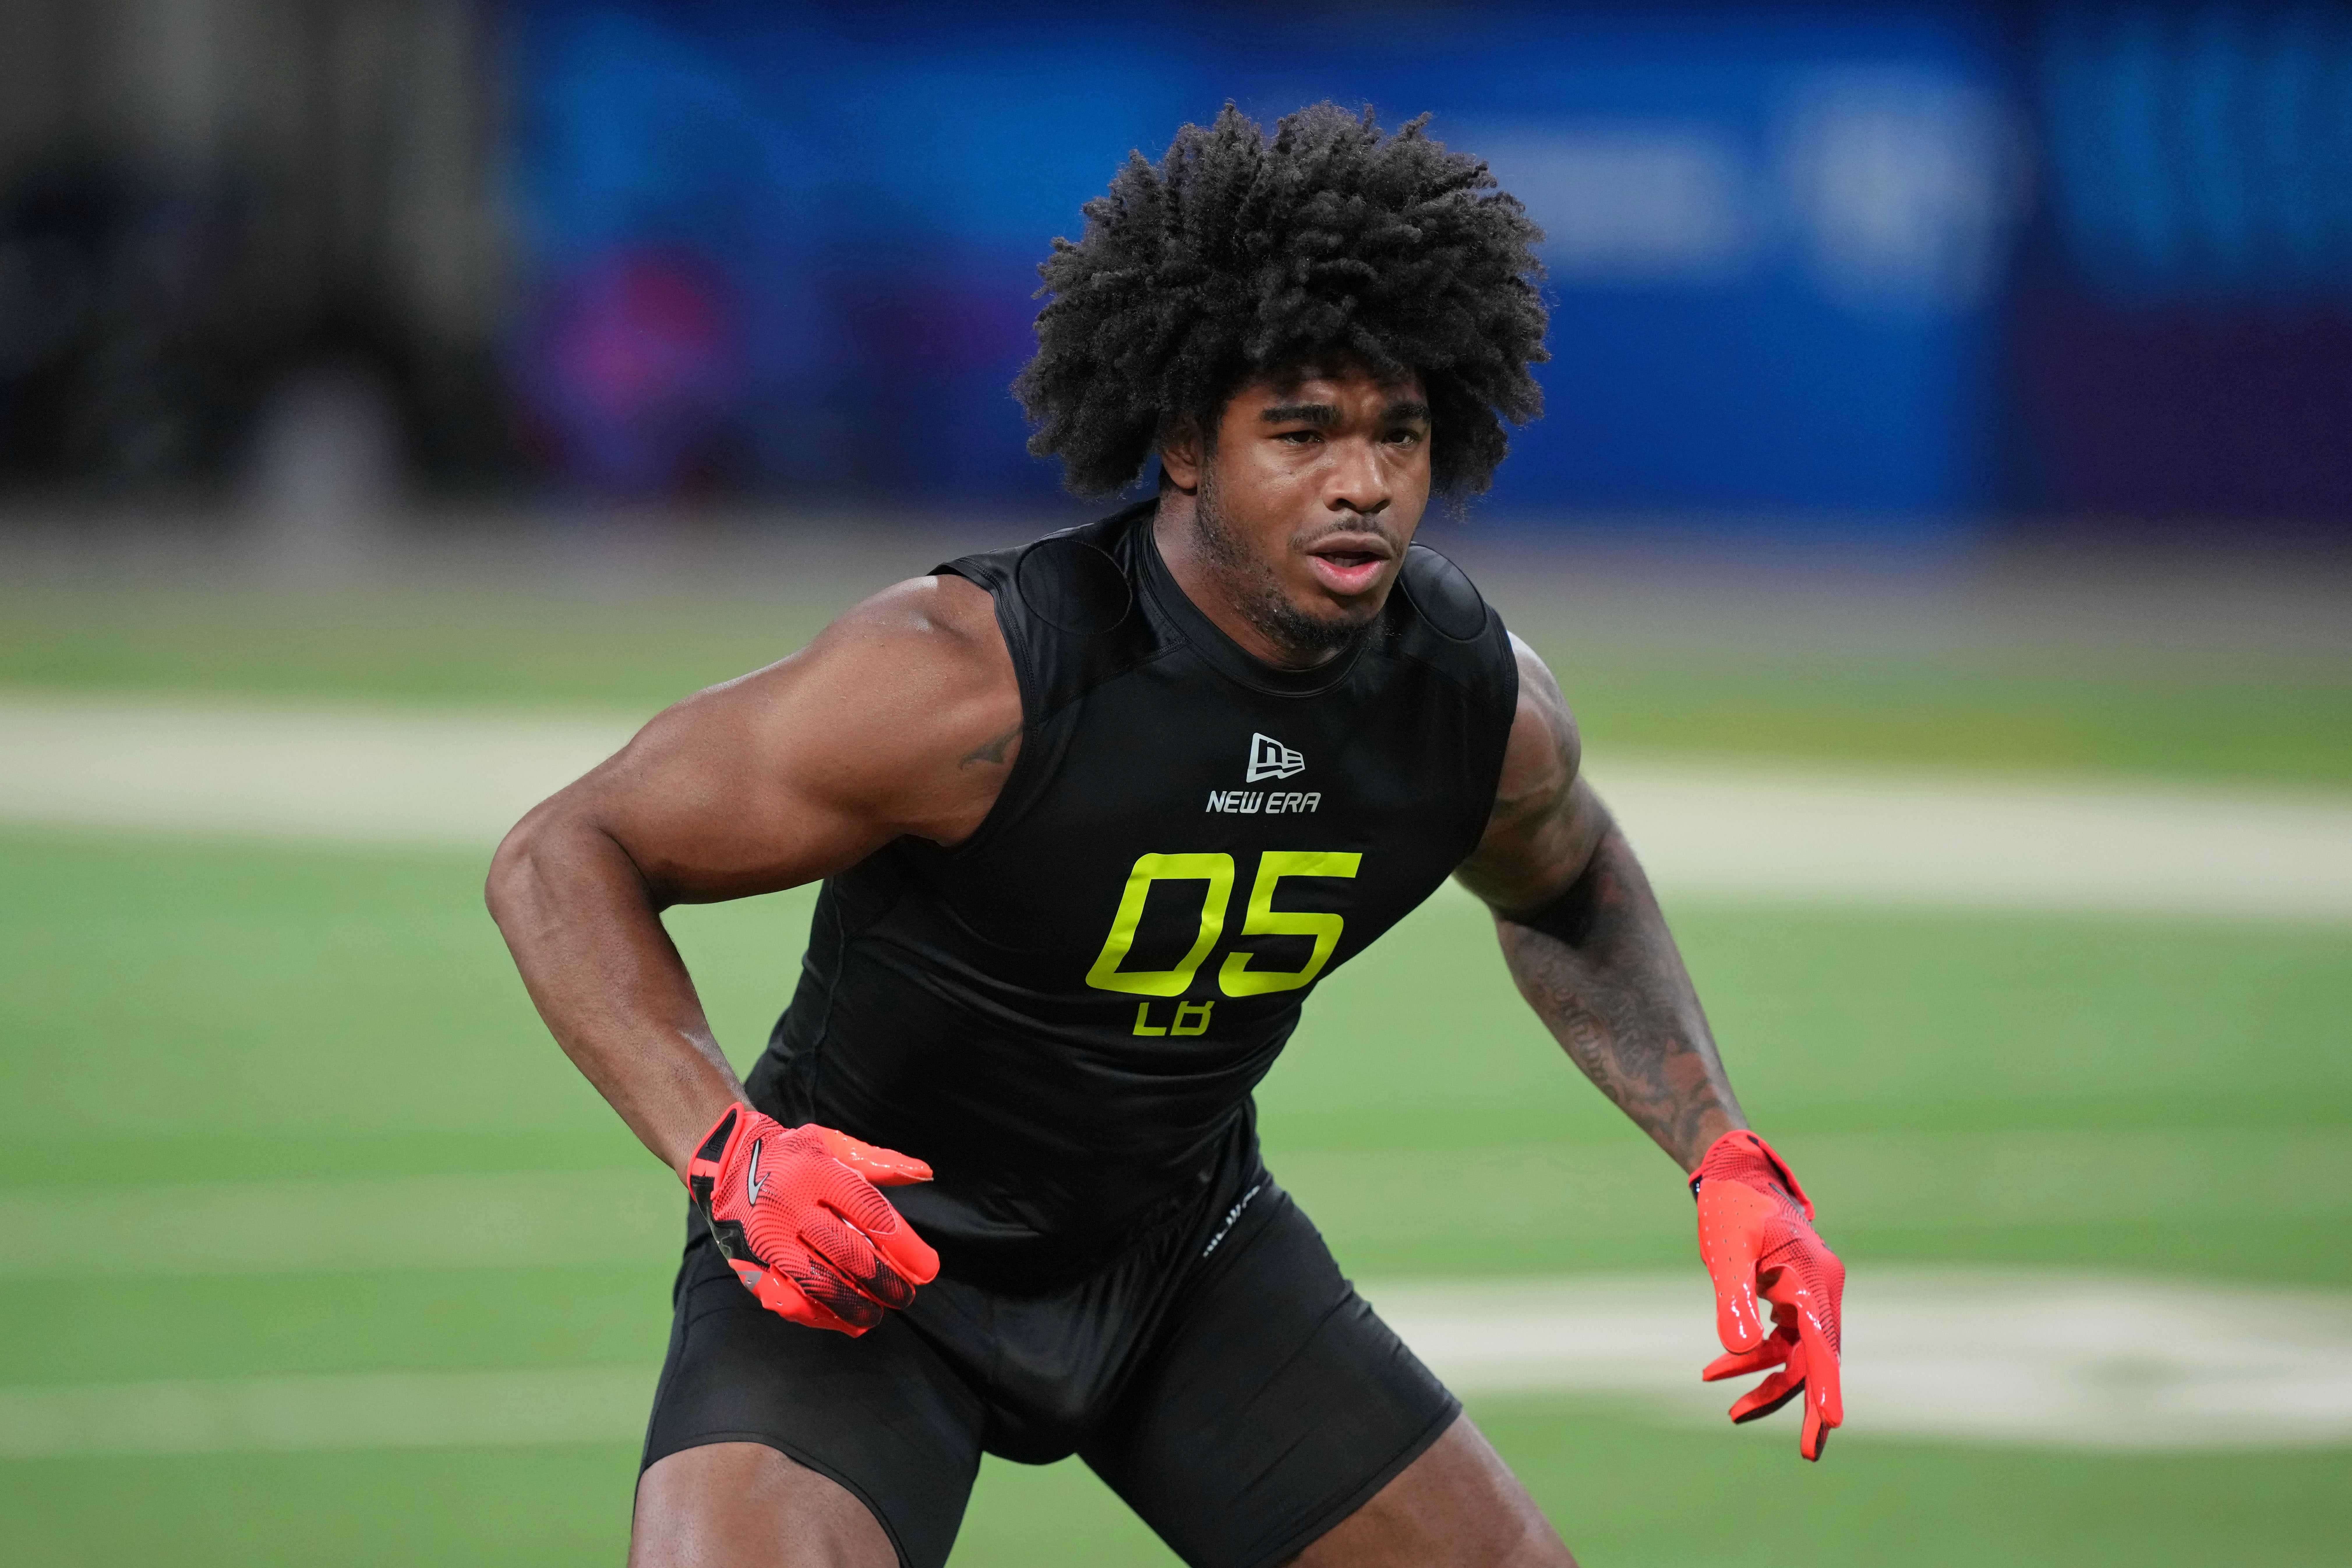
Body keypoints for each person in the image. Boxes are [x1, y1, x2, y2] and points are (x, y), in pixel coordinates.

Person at [488, 102, 1844, 1568]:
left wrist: (1724, 1154)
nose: (1365, 482)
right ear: (1188, 440)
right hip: (863, 1254)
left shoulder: (1470, 697)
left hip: (1181, 1252)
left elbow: (1568, 879)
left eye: (1400, 431)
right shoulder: (973, 676)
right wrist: (727, 1153)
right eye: (1305, 430)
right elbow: (564, 853)